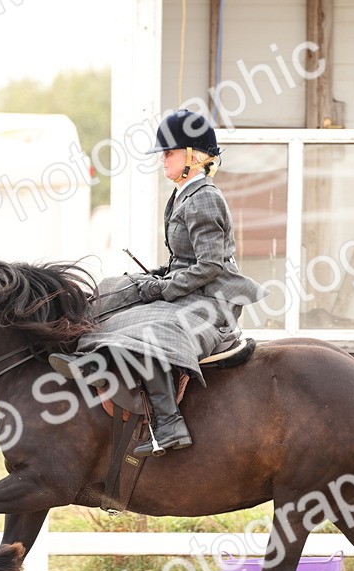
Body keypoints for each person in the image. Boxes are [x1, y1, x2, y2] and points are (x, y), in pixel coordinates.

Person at [50, 109, 266, 457]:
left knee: (154, 328)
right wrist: (156, 276)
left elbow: (210, 266)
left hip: (211, 301)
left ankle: (169, 424)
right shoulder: (182, 194)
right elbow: (185, 260)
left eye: (169, 153)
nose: (163, 160)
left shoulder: (205, 197)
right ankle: (93, 358)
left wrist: (163, 288)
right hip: (189, 288)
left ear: (193, 157)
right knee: (111, 290)